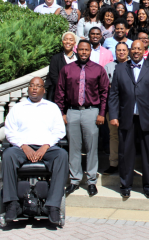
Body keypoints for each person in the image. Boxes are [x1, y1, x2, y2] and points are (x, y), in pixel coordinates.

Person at [2, 77, 67, 225]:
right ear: (28, 89)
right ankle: (13, 204)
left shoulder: (52, 107)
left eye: (38, 86)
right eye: (32, 85)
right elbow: (10, 131)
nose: (34, 88)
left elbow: (59, 131)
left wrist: (45, 146)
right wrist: (24, 146)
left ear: (43, 90)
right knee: (8, 155)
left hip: (47, 147)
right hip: (22, 147)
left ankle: (52, 206)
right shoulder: (18, 107)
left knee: (62, 155)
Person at [108, 40, 149, 199]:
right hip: (126, 118)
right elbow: (113, 95)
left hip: (148, 118)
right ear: (129, 50)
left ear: (144, 50)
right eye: (134, 48)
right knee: (125, 153)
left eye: (139, 49)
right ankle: (125, 185)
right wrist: (113, 115)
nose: (136, 51)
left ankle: (148, 186)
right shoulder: (120, 69)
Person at [55, 40, 109, 198]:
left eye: (87, 50)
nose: (84, 52)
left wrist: (101, 113)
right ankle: (75, 180)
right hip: (72, 112)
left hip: (91, 112)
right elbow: (60, 92)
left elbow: (105, 93)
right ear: (76, 50)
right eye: (81, 50)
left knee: (92, 148)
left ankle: (91, 181)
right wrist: (62, 113)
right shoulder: (67, 69)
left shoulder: (98, 70)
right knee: (74, 148)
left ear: (90, 51)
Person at [103, 42, 129, 175]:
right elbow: (106, 87)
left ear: (128, 51)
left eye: (124, 50)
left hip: (129, 108)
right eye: (119, 50)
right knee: (113, 136)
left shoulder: (132, 66)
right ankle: (113, 163)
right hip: (113, 107)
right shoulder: (109, 67)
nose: (121, 52)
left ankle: (127, 163)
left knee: (128, 136)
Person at [45, 32, 79, 102]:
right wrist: (65, 89)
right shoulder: (55, 58)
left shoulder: (79, 57)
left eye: (71, 40)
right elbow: (54, 76)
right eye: (66, 39)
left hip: (77, 93)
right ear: (62, 42)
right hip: (60, 95)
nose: (68, 42)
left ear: (75, 43)